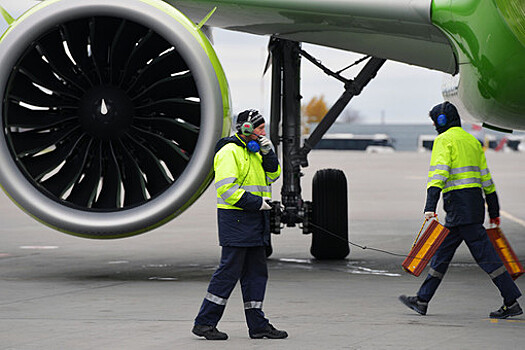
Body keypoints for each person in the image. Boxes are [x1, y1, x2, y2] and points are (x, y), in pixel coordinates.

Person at [399, 102, 522, 319]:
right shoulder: (472, 141)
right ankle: (422, 300)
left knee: (486, 257)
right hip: (473, 205)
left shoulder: (444, 140)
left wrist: (430, 206)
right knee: (441, 255)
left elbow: (438, 175)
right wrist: (494, 212)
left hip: (458, 206)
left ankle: (511, 300)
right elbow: (487, 181)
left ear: (441, 121)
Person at [192, 109, 288, 340]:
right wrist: (259, 204)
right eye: (260, 128)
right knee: (228, 272)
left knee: (256, 274)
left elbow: (273, 176)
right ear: (245, 128)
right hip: (236, 221)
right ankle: (204, 323)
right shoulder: (229, 151)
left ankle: (258, 325)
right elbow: (227, 190)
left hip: (256, 221)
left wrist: (269, 154)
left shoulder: (255, 151)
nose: (264, 132)